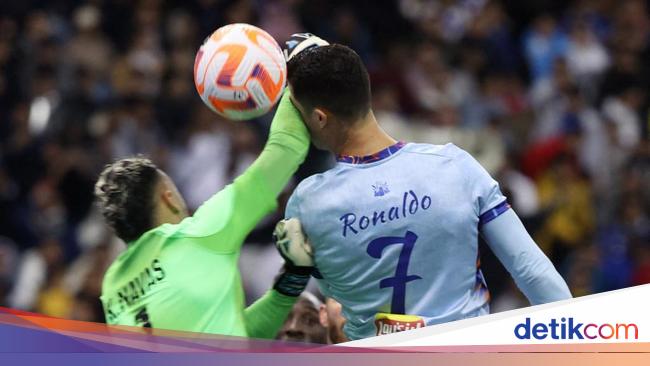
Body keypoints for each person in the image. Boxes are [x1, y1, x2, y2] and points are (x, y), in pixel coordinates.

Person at [277, 42, 572, 340]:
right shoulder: (455, 166)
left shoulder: (307, 203)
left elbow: (333, 294)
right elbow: (533, 271)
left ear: (318, 118)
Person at [95, 90, 313, 338]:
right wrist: (295, 82)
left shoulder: (112, 286)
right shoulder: (199, 234)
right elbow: (286, 149)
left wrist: (291, 282)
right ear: (169, 197)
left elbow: (235, 335)